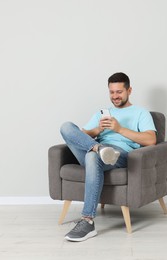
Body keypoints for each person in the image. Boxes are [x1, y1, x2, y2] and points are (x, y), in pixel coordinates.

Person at [59, 72, 157, 242]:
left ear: (129, 90)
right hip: (97, 150)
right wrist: (97, 130)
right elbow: (79, 136)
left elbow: (151, 140)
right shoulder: (103, 113)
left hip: (120, 155)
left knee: (91, 157)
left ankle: (87, 221)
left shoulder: (141, 113)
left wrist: (119, 129)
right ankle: (98, 148)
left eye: (119, 92)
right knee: (66, 127)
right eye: (112, 92)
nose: (115, 96)